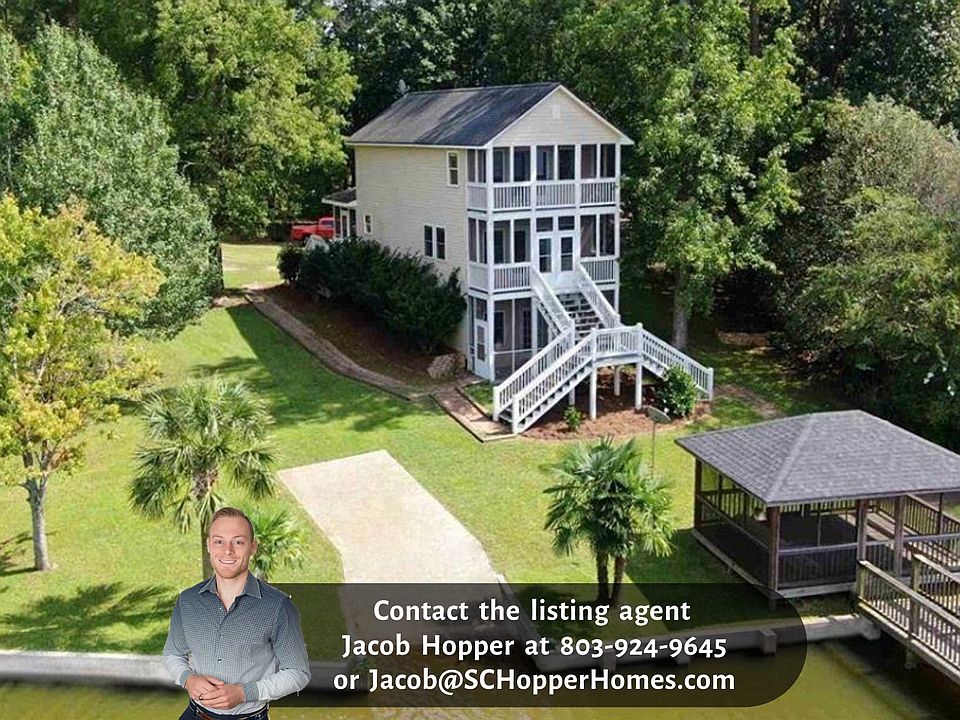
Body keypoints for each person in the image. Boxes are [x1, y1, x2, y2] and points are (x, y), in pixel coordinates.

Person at [163, 507, 310, 719]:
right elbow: (172, 654)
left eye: (238, 542)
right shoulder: (188, 600)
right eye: (219, 541)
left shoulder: (279, 607)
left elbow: (298, 673)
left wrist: (244, 693)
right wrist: (188, 678)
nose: (228, 550)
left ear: (252, 547)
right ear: (209, 545)